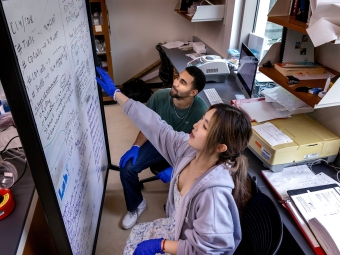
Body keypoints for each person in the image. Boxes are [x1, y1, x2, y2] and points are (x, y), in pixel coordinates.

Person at [96, 67, 252, 255]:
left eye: (204, 126)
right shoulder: (187, 148)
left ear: (220, 147)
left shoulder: (213, 195)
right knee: (135, 238)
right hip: (177, 228)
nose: (195, 125)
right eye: (201, 119)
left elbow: (204, 251)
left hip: (187, 246)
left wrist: (160, 245)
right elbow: (156, 125)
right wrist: (116, 94)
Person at [118, 66, 208, 229]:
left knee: (193, 180)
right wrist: (136, 147)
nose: (175, 83)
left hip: (184, 152)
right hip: (157, 143)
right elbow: (146, 125)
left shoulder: (201, 111)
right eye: (177, 77)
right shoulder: (160, 96)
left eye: (182, 82)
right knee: (127, 167)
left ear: (193, 92)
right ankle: (136, 205)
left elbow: (200, 151)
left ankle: (179, 210)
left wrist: (177, 168)